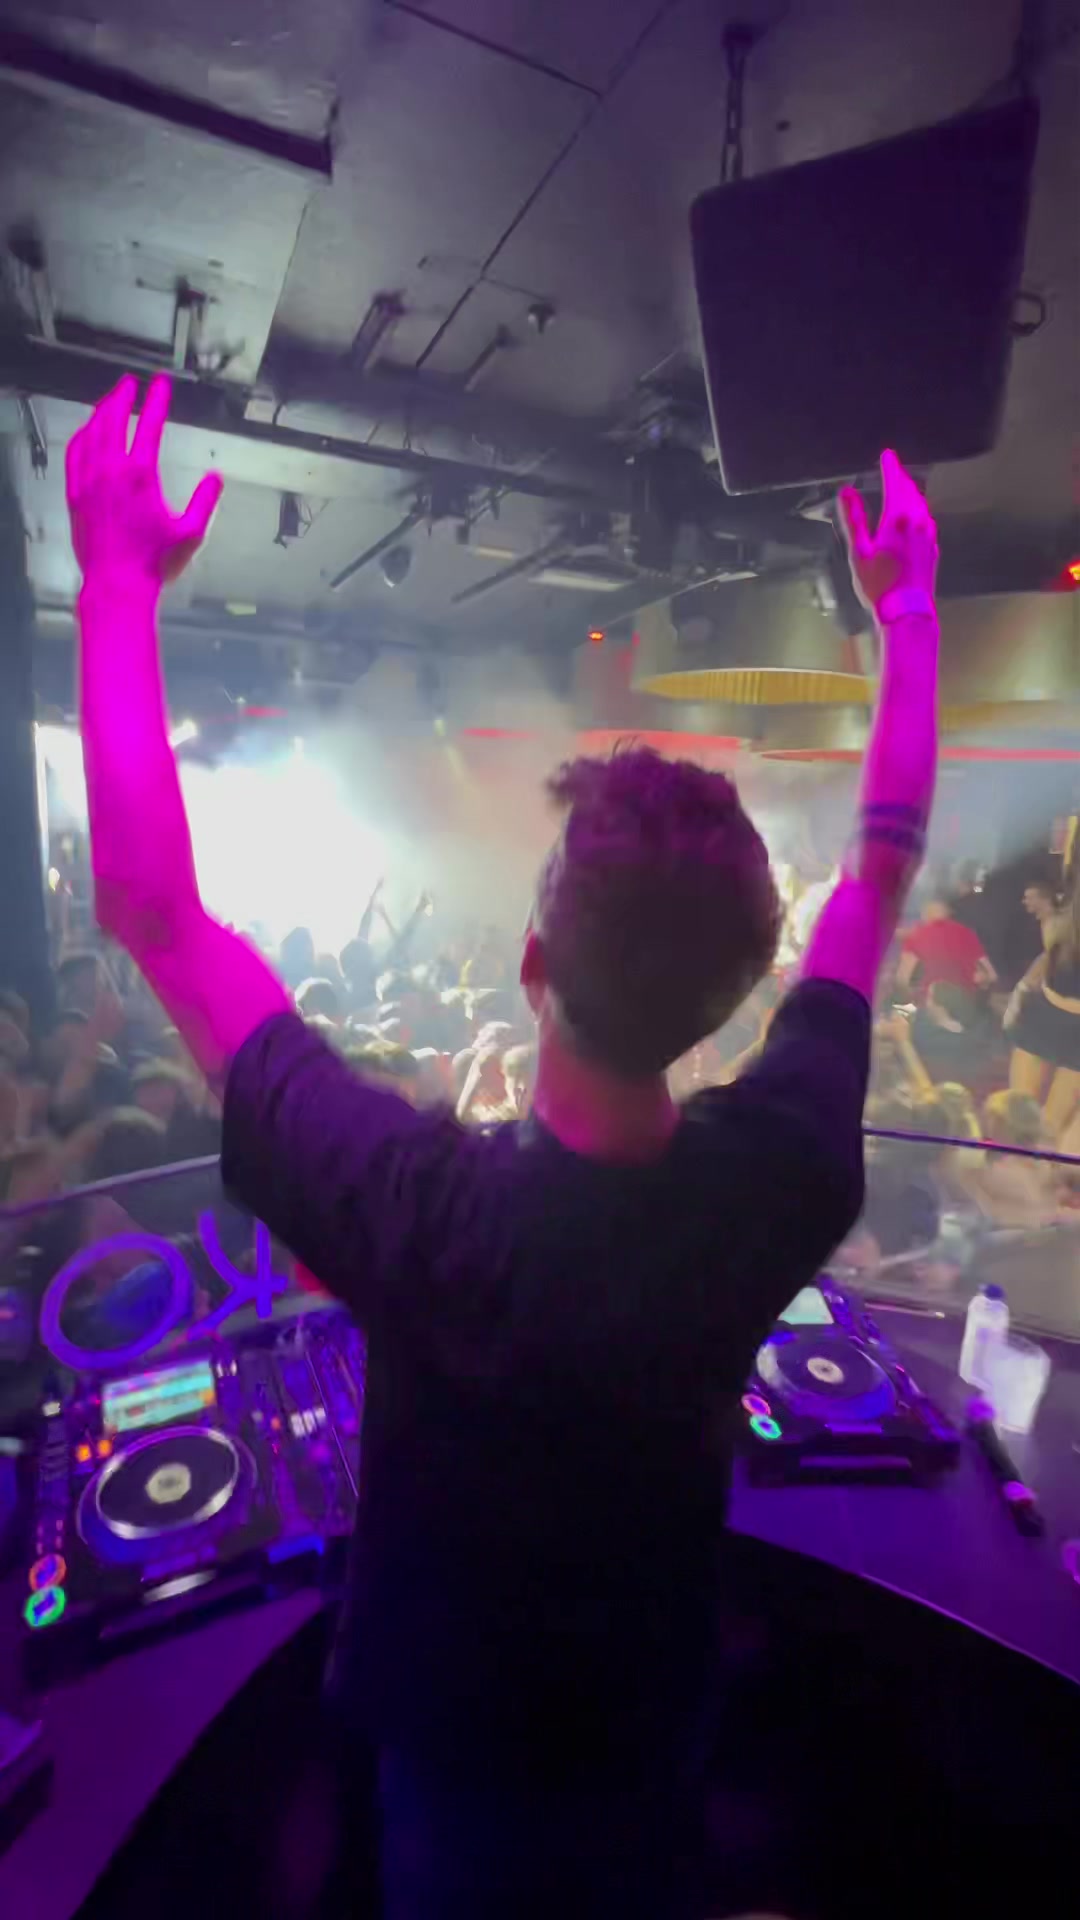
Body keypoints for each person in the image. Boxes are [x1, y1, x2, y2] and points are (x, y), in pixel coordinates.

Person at [66, 375, 938, 1920]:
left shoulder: (414, 1210)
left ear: (532, 968)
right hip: (656, 1718)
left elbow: (151, 910)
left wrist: (116, 585)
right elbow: (876, 880)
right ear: (741, 989)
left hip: (461, 1770)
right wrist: (914, 617)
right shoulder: (787, 1172)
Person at [1006, 869, 1080, 1138]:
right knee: (1017, 1113)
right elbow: (1048, 957)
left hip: (1075, 1031)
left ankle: (1034, 1161)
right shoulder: (1063, 920)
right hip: (1043, 1014)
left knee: (1051, 1125)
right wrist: (1022, 990)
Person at [895, 889, 995, 1001]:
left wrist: (908, 999)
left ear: (925, 914)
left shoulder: (915, 937)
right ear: (948, 913)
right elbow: (991, 974)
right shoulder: (967, 933)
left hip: (932, 1003)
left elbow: (903, 978)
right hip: (966, 1000)